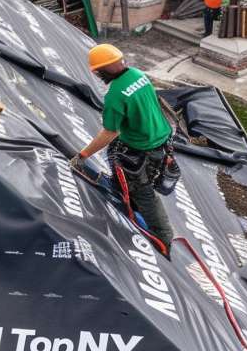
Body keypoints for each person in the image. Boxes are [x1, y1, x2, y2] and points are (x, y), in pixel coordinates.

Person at [70, 44, 175, 251]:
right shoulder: (137, 74)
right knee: (123, 166)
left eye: (99, 72)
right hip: (160, 140)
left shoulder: (116, 95)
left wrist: (83, 155)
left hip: (141, 148)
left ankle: (163, 239)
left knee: (143, 191)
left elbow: (110, 132)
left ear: (103, 70)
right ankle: (122, 193)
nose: (98, 76)